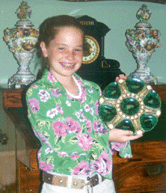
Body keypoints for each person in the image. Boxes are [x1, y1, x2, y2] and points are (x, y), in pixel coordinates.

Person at [26, 15, 142, 193]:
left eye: (77, 49)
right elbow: (61, 142)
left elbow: (109, 130)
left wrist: (123, 104)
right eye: (62, 48)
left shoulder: (93, 90)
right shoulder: (38, 93)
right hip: (63, 187)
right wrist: (107, 137)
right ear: (45, 48)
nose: (70, 56)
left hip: (102, 184)